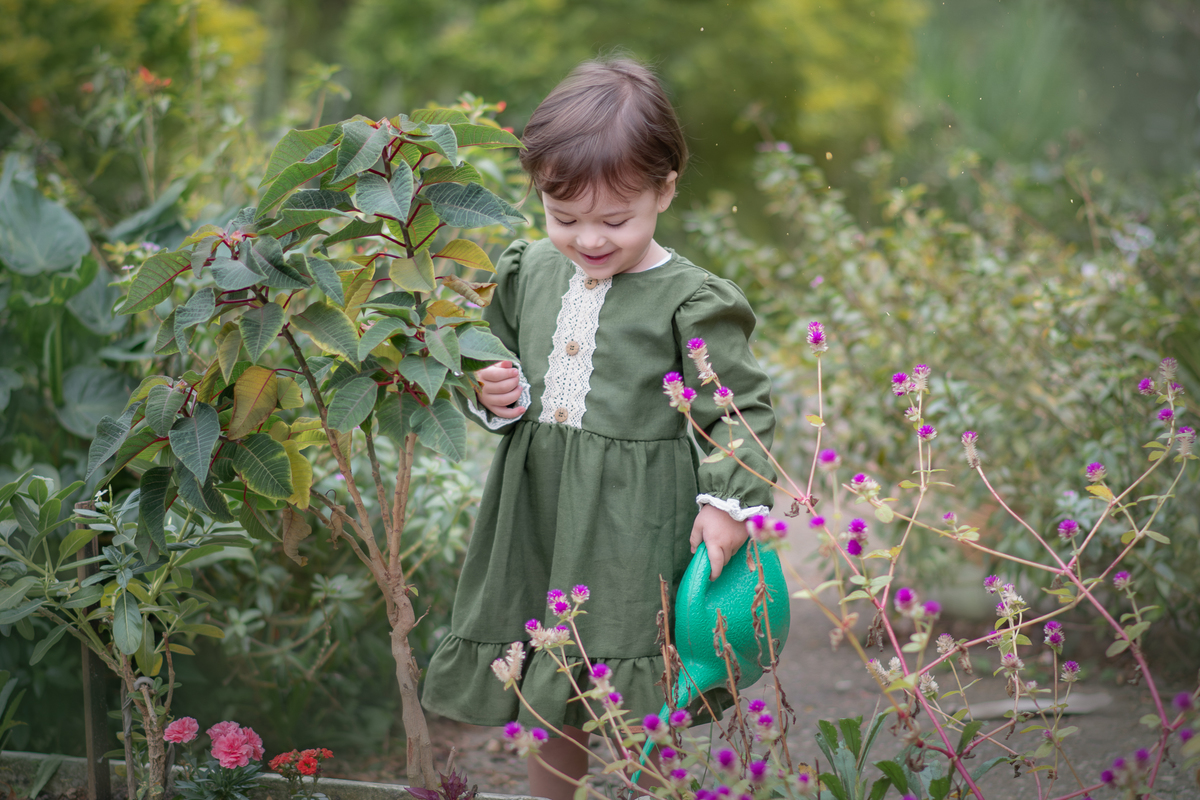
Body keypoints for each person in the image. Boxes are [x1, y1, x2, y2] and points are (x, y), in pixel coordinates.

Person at [421, 57, 776, 800]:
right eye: (564, 218)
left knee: (636, 688)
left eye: (615, 220)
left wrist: (725, 503)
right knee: (552, 679)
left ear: (665, 190)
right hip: (540, 510)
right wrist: (494, 391)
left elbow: (736, 407)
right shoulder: (526, 271)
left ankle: (652, 791)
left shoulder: (691, 300)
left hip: (634, 522)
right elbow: (492, 370)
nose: (588, 239)